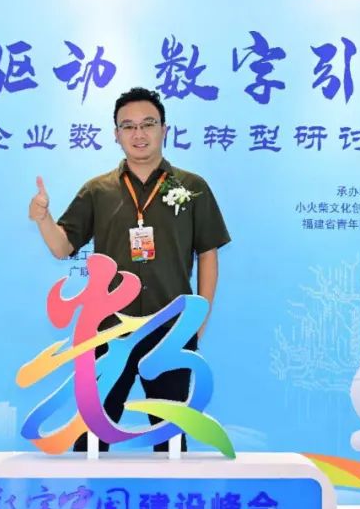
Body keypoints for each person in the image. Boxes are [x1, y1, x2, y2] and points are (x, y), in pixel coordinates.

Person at [27, 86, 231, 452]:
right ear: (116, 134)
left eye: (148, 124)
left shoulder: (192, 187)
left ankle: (169, 489)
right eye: (129, 126)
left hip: (170, 329)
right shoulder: (98, 191)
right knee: (92, 435)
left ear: (164, 130)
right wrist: (43, 218)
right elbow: (62, 247)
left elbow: (208, 254)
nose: (139, 134)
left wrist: (198, 319)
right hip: (108, 330)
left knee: (170, 439)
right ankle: (88, 491)